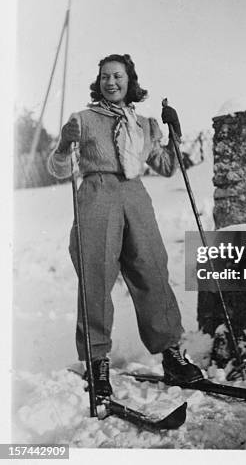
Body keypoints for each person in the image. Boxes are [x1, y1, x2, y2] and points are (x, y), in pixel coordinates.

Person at [48, 54, 203, 396]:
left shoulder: (144, 124)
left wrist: (174, 134)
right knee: (96, 276)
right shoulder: (83, 119)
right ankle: (97, 361)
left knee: (153, 270)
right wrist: (63, 143)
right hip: (97, 194)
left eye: (117, 76)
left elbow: (164, 166)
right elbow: (59, 169)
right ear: (98, 82)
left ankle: (172, 356)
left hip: (135, 195)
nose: (111, 82)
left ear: (130, 81)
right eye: (104, 77)